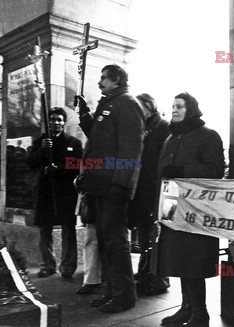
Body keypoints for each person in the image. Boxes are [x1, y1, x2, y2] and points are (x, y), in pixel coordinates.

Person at [75, 64, 144, 313]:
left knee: (116, 241)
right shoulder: (110, 103)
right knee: (105, 241)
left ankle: (125, 295)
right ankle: (111, 291)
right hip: (100, 185)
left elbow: (131, 149)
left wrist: (121, 184)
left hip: (113, 186)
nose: (99, 82)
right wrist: (84, 113)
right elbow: (96, 136)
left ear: (116, 80)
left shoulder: (127, 103)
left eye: (104, 78)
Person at [157, 92, 225, 327]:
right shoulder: (170, 138)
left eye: (179, 106)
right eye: (172, 106)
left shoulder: (208, 136)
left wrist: (181, 170)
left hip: (198, 212)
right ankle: (186, 308)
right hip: (174, 210)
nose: (174, 110)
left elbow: (215, 170)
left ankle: (200, 312)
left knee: (195, 262)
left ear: (191, 109)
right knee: (180, 261)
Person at [27, 107, 82, 278]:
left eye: (59, 119)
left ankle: (67, 266)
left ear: (64, 122)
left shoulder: (73, 142)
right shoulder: (40, 142)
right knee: (45, 230)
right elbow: (30, 162)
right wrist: (43, 150)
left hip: (65, 192)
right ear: (48, 123)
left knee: (68, 229)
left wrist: (58, 170)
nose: (55, 123)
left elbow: (76, 166)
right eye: (52, 120)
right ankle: (47, 265)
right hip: (45, 192)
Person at [127, 93, 170, 296]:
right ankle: (145, 273)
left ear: (150, 107)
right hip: (141, 192)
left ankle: (158, 278)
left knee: (156, 237)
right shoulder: (140, 128)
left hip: (156, 190)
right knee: (145, 237)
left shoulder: (163, 128)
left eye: (139, 107)